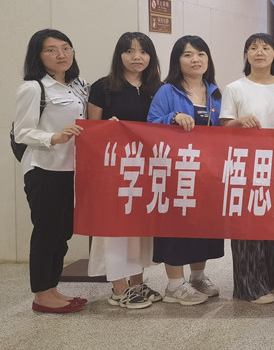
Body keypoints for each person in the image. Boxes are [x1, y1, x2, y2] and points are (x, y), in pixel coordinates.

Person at [87, 32, 163, 309]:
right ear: (119, 56)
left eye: (143, 51)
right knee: (115, 228)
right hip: (113, 170)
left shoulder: (158, 88)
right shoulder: (103, 87)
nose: (136, 57)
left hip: (147, 169)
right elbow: (92, 131)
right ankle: (119, 288)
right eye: (129, 51)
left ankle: (137, 282)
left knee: (140, 227)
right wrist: (108, 128)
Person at [14, 29, 88, 314]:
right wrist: (54, 137)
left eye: (66, 48)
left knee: (62, 232)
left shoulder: (78, 85)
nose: (61, 54)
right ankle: (42, 295)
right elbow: (22, 132)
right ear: (38, 55)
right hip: (45, 169)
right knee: (47, 232)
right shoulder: (33, 88)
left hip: (72, 169)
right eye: (51, 50)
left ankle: (52, 289)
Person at [220, 33, 274, 305]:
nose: (259, 52)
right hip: (245, 164)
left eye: (265, 47)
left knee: (273, 221)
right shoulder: (234, 88)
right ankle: (249, 287)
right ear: (247, 55)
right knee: (248, 224)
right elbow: (223, 126)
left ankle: (272, 277)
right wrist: (239, 122)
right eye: (253, 48)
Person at [147, 35, 224, 306]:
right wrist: (173, 117)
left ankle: (197, 277)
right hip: (175, 171)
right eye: (188, 55)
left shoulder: (215, 92)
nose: (195, 60)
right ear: (177, 61)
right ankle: (174, 284)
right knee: (175, 226)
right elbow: (150, 123)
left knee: (202, 224)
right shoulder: (167, 91)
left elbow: (222, 128)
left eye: (201, 54)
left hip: (207, 171)